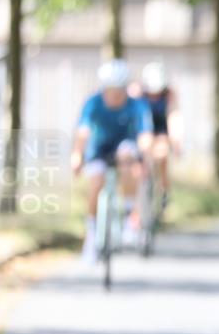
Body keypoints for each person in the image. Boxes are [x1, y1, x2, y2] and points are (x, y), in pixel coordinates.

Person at [71, 60, 154, 263]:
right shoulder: (93, 103)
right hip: (98, 149)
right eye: (110, 91)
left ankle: (127, 217)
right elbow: (83, 132)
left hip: (124, 147)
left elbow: (145, 137)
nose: (114, 96)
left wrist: (145, 160)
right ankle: (92, 233)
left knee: (128, 159)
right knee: (96, 183)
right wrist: (77, 155)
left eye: (119, 91)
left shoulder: (137, 106)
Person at [139, 62, 182, 206]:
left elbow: (173, 117)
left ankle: (163, 190)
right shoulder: (138, 94)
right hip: (144, 131)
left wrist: (176, 142)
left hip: (161, 131)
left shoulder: (169, 96)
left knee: (162, 155)